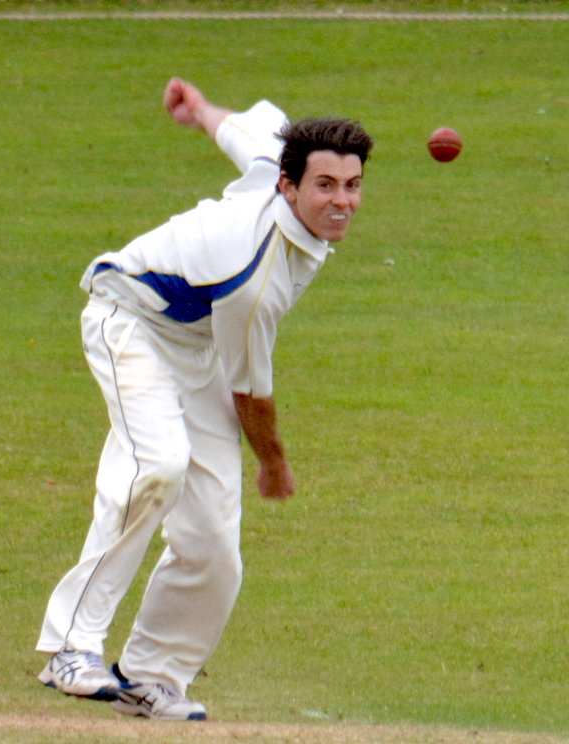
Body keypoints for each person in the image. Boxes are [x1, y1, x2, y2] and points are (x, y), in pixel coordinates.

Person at [36, 77, 373, 721]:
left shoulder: (282, 158)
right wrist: (273, 463)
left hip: (195, 345)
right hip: (128, 318)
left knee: (215, 540)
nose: (341, 201)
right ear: (289, 186)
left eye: (352, 186)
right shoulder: (258, 275)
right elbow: (251, 393)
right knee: (156, 465)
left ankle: (151, 677)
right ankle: (69, 648)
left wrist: (200, 113)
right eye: (325, 187)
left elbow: (245, 131)